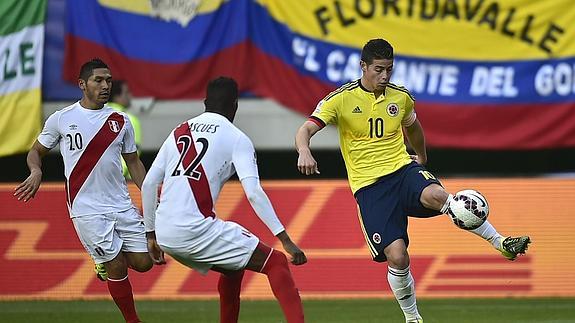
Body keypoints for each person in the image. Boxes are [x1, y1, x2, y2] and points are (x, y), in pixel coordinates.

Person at [295, 39, 531, 323]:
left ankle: (501, 243)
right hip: (370, 188)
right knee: (398, 256)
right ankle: (413, 318)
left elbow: (413, 128)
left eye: (389, 70)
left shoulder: (401, 97)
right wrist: (304, 151)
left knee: (442, 197)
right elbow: (305, 129)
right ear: (363, 67)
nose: (384, 76)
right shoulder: (340, 99)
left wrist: (421, 155)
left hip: (403, 170)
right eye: (379, 70)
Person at [142, 77, 307, 323]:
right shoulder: (236, 138)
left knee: (233, 268)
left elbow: (148, 184)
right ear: (235, 106)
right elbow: (253, 192)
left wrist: (151, 234)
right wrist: (285, 239)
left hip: (165, 232)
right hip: (195, 228)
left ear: (205, 102)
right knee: (276, 262)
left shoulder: (178, 131)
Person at [14, 58, 154, 323]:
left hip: (120, 203)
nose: (105, 86)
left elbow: (133, 162)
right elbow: (36, 151)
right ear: (82, 84)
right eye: (98, 80)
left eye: (109, 81)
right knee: (116, 265)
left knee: (145, 263)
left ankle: (99, 256)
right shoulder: (62, 118)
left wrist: (150, 194)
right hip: (86, 207)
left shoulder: (121, 121)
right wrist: (36, 171)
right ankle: (132, 319)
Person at [109, 80, 142, 178]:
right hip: (123, 183)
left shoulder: (96, 117)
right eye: (127, 92)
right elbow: (131, 155)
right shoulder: (130, 119)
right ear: (116, 96)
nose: (130, 96)